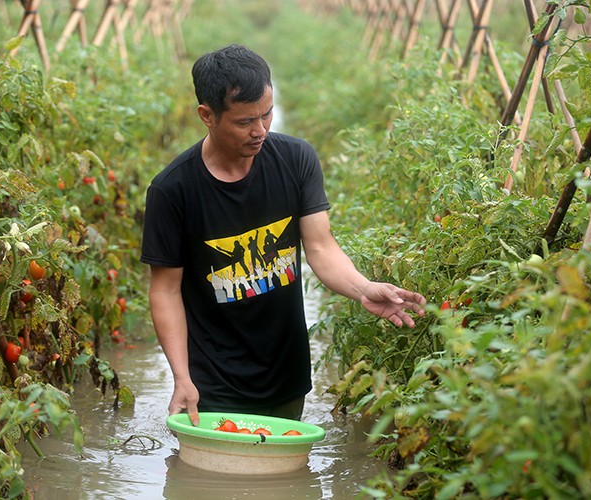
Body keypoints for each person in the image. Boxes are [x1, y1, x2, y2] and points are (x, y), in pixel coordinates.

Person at [140, 44, 425, 425]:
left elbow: (321, 247)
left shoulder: (296, 160)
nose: (260, 131)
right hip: (212, 382)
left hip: (286, 373)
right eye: (244, 122)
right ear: (206, 116)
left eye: (267, 114)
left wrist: (363, 288)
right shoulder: (173, 190)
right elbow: (165, 290)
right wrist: (181, 377)